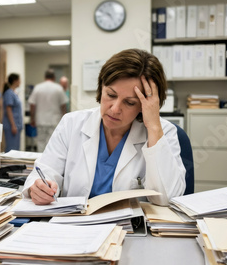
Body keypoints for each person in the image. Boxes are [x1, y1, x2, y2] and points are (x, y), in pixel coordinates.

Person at [23, 49, 186, 206]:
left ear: (145, 106)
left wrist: (154, 126)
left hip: (130, 233)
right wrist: (37, 189)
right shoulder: (71, 124)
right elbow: (44, 172)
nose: (115, 109)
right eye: (111, 95)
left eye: (130, 102)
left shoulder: (162, 132)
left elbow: (168, 198)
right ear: (101, 88)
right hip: (73, 229)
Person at [28, 69, 68, 152]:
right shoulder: (58, 88)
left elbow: (32, 104)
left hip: (40, 120)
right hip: (54, 121)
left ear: (44, 77)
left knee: (40, 142)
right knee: (53, 143)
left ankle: (40, 162)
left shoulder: (38, 88)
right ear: (54, 77)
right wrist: (64, 119)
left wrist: (32, 118)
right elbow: (63, 105)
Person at [3, 73, 23, 152]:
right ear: (15, 81)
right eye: (19, 80)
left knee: (16, 149)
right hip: (11, 126)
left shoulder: (14, 93)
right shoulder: (9, 93)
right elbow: (8, 109)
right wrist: (13, 125)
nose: (20, 82)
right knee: (11, 149)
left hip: (16, 125)